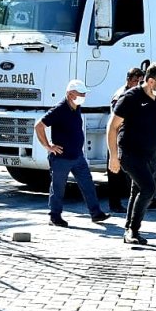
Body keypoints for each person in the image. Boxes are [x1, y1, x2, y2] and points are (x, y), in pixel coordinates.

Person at [107, 62, 156, 245]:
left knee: (137, 190)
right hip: (129, 153)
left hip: (150, 154)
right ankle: (133, 230)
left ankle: (129, 230)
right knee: (148, 188)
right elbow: (112, 127)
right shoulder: (130, 98)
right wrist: (113, 156)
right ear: (151, 81)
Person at [35, 80, 108, 227]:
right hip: (61, 158)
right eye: (80, 93)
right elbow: (39, 126)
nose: (83, 96)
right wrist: (48, 146)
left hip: (77, 156)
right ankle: (55, 217)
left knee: (88, 184)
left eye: (84, 93)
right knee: (58, 188)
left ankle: (96, 213)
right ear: (70, 94)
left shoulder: (76, 106)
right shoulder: (60, 109)